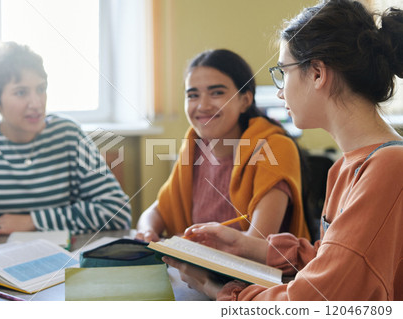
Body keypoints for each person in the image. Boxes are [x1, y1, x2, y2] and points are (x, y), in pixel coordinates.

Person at [163, 0, 403, 301]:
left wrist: (217, 290)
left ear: (317, 73)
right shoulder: (345, 167)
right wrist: (244, 245)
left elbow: (312, 300)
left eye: (283, 72)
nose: (280, 91)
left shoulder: (388, 167)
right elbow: (335, 260)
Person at [0, 42, 131, 253]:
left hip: (63, 263)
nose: (37, 103)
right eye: (21, 93)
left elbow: (117, 211)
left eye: (41, 89)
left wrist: (31, 221)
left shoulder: (67, 134)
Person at [136, 49, 310, 243]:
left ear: (245, 101)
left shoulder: (274, 146)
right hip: (198, 268)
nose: (202, 105)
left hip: (259, 272)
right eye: (193, 95)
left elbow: (257, 241)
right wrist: (147, 231)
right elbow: (157, 211)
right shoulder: (195, 147)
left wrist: (190, 245)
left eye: (216, 93)